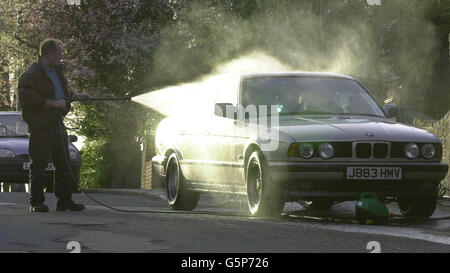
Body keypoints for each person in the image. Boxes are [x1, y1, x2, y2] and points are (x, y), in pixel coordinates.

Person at [18, 38, 88, 212]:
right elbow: (27, 99)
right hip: (41, 125)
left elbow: (63, 93)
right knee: (39, 165)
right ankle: (36, 202)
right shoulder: (31, 74)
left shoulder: (57, 71)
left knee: (64, 164)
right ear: (48, 54)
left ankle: (64, 200)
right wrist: (53, 104)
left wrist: (77, 97)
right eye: (59, 53)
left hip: (57, 123)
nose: (61, 57)